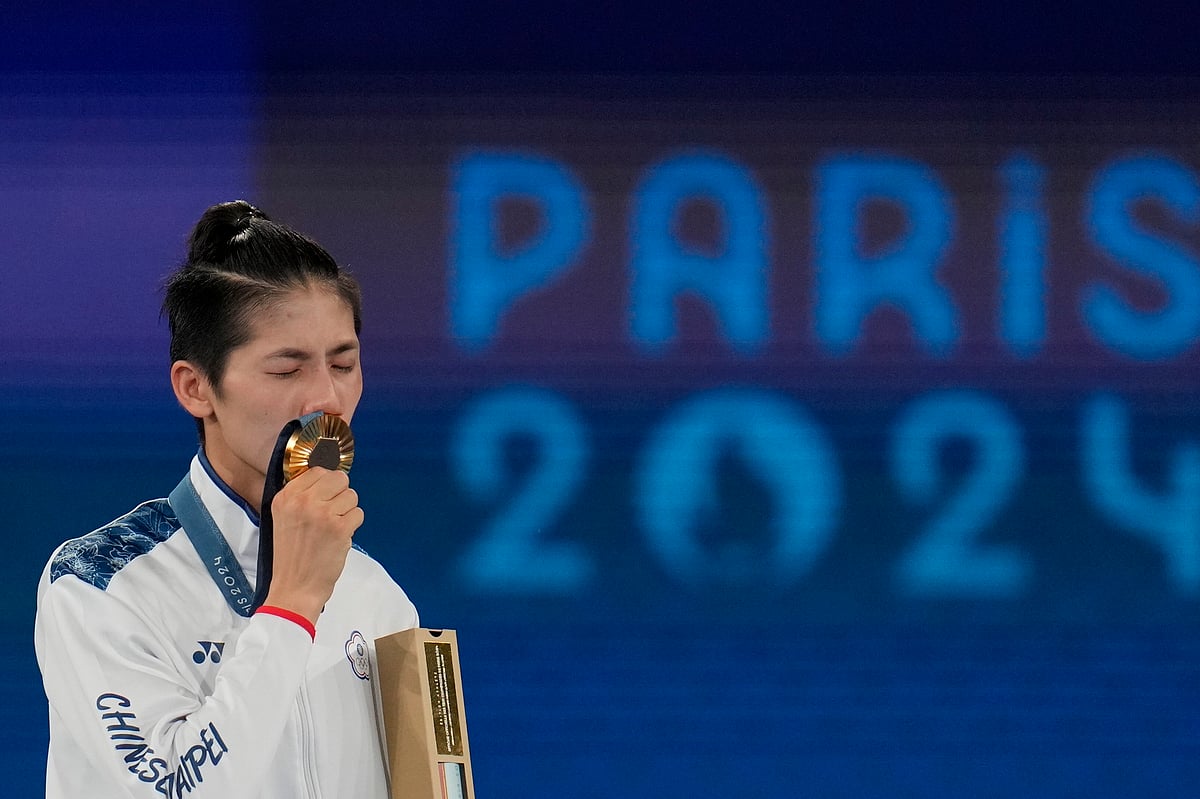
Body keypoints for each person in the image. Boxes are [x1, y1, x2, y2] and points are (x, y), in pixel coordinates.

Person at [34, 201, 419, 798]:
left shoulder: (378, 597)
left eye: (343, 363)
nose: (328, 399)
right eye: (287, 370)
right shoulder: (99, 585)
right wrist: (291, 606)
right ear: (197, 388)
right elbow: (181, 791)